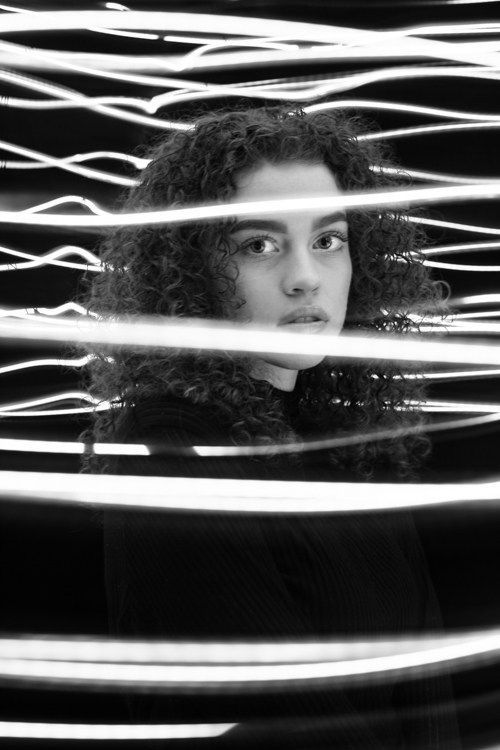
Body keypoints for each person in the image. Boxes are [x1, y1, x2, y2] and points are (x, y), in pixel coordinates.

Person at [79, 106, 460, 748]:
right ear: (195, 271)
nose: (305, 278)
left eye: (327, 240)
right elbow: (273, 721)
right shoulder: (171, 449)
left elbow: (427, 687)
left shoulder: (345, 446)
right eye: (260, 245)